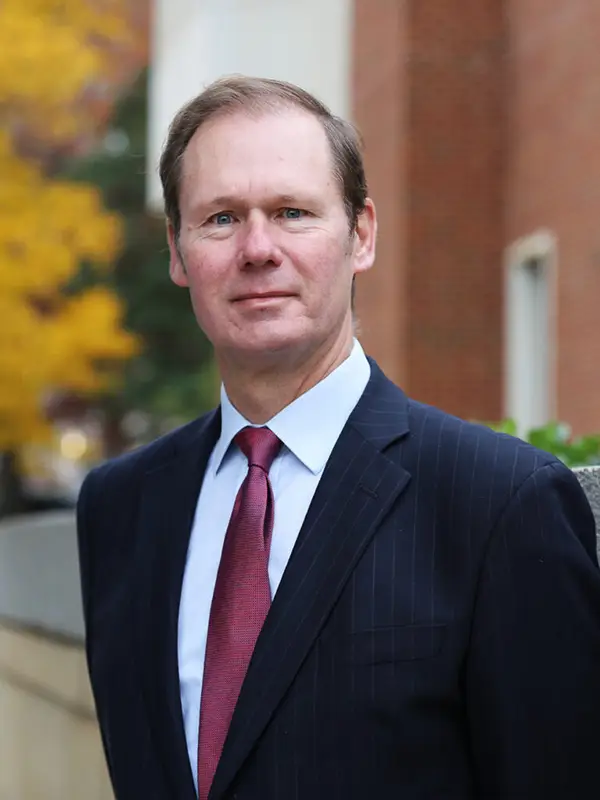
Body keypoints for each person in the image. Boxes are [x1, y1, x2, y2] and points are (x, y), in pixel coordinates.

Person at [76, 75, 600, 800]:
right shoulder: (121, 507)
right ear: (177, 251)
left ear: (361, 234)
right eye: (221, 219)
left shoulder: (502, 503)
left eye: (292, 212)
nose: (257, 248)